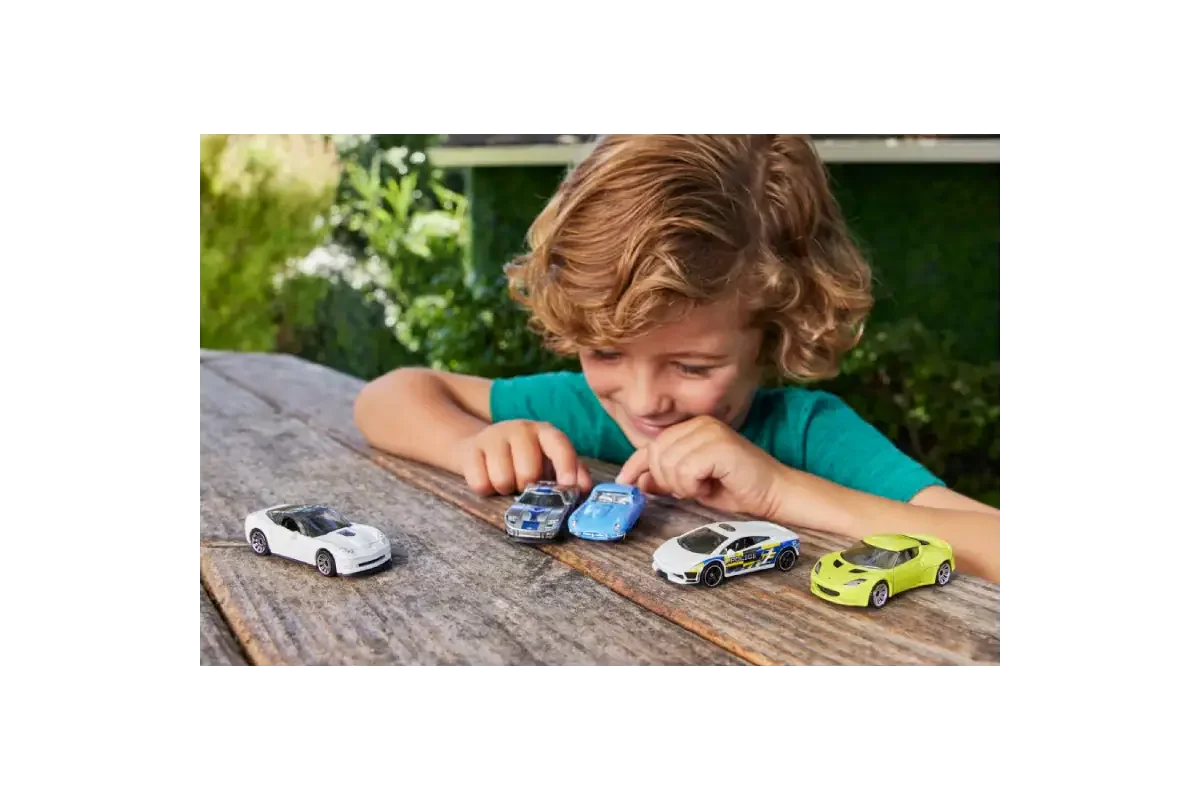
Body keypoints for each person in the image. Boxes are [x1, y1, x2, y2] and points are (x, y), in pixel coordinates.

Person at [353, 134, 1000, 583]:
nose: (642, 400)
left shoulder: (806, 434)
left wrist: (781, 491)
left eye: (692, 367)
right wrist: (476, 445)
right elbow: (389, 395)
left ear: (771, 334)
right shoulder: (580, 412)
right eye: (605, 351)